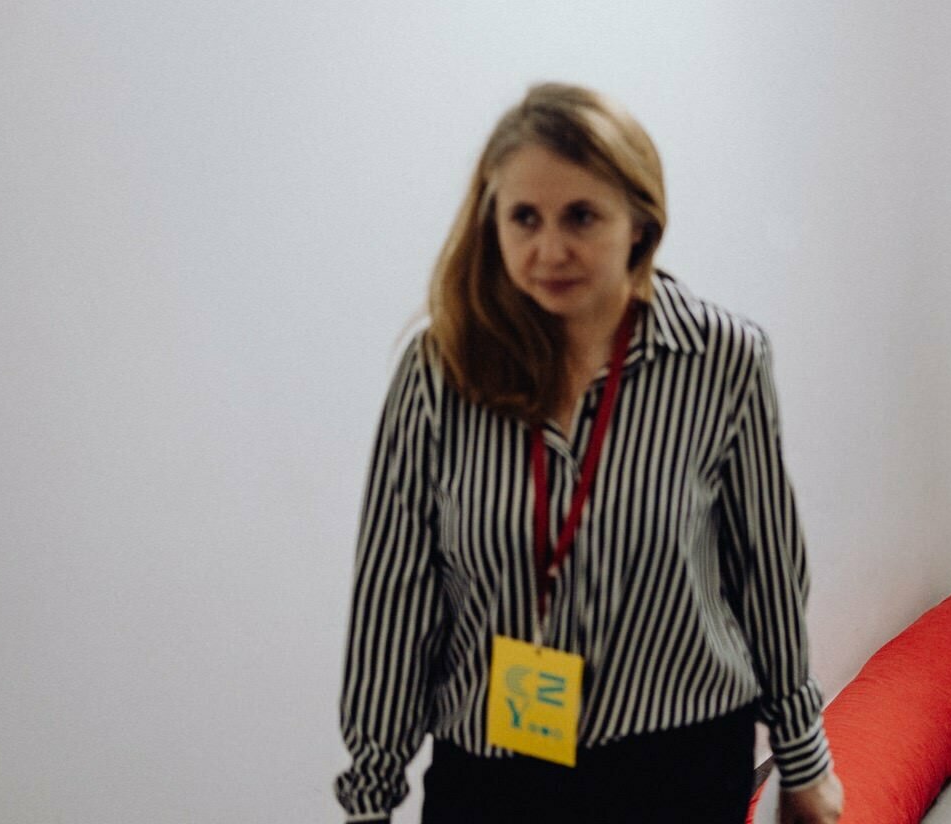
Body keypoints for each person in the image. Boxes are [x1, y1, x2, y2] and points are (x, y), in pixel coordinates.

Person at [335, 84, 844, 823]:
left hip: (680, 758)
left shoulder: (721, 359)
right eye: (524, 218)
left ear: (640, 220)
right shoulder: (441, 371)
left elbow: (765, 572)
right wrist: (369, 799)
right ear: (492, 221)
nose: (549, 249)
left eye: (580, 216)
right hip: (497, 769)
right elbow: (393, 594)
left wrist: (804, 759)